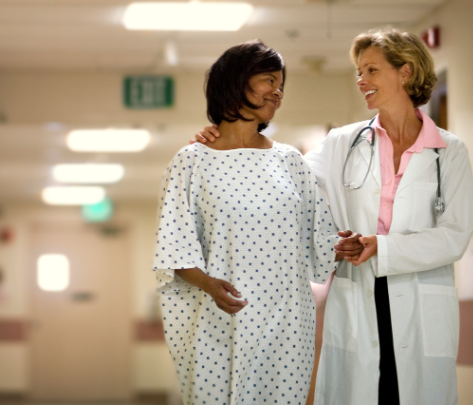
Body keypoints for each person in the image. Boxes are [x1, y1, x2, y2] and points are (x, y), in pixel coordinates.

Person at [196, 28, 473, 405]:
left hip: (421, 303)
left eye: (371, 70)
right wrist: (228, 144)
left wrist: (381, 246)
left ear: (405, 72)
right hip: (357, 293)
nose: (361, 81)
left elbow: (455, 235)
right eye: (359, 72)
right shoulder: (343, 142)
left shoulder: (450, 151)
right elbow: (281, 177)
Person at [153, 40, 362, 405]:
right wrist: (210, 285)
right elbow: (175, 249)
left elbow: (318, 241)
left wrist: (346, 245)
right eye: (268, 80)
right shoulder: (191, 162)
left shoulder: (290, 161)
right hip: (219, 318)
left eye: (280, 83)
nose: (277, 92)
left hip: (287, 322)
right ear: (235, 82)